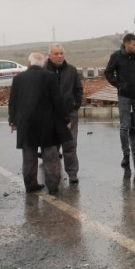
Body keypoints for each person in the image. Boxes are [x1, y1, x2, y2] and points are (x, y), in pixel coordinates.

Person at [9, 52, 72, 195]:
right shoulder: (50, 77)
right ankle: (53, 186)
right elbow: (58, 101)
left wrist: (12, 121)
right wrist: (65, 120)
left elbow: (13, 102)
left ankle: (30, 185)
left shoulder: (18, 79)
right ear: (42, 64)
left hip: (26, 123)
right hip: (47, 123)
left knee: (29, 157)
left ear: (29, 63)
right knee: (50, 157)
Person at [105, 33, 135, 168]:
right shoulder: (116, 56)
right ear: (126, 44)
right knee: (124, 126)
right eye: (134, 44)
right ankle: (126, 155)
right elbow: (108, 72)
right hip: (124, 96)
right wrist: (119, 85)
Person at [45, 43, 83, 184]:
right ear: (50, 55)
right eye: (56, 53)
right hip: (51, 116)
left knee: (70, 145)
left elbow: (78, 89)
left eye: (61, 53)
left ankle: (72, 173)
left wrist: (75, 106)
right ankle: (54, 176)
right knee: (52, 147)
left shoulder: (71, 70)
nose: (60, 56)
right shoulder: (44, 71)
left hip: (69, 113)